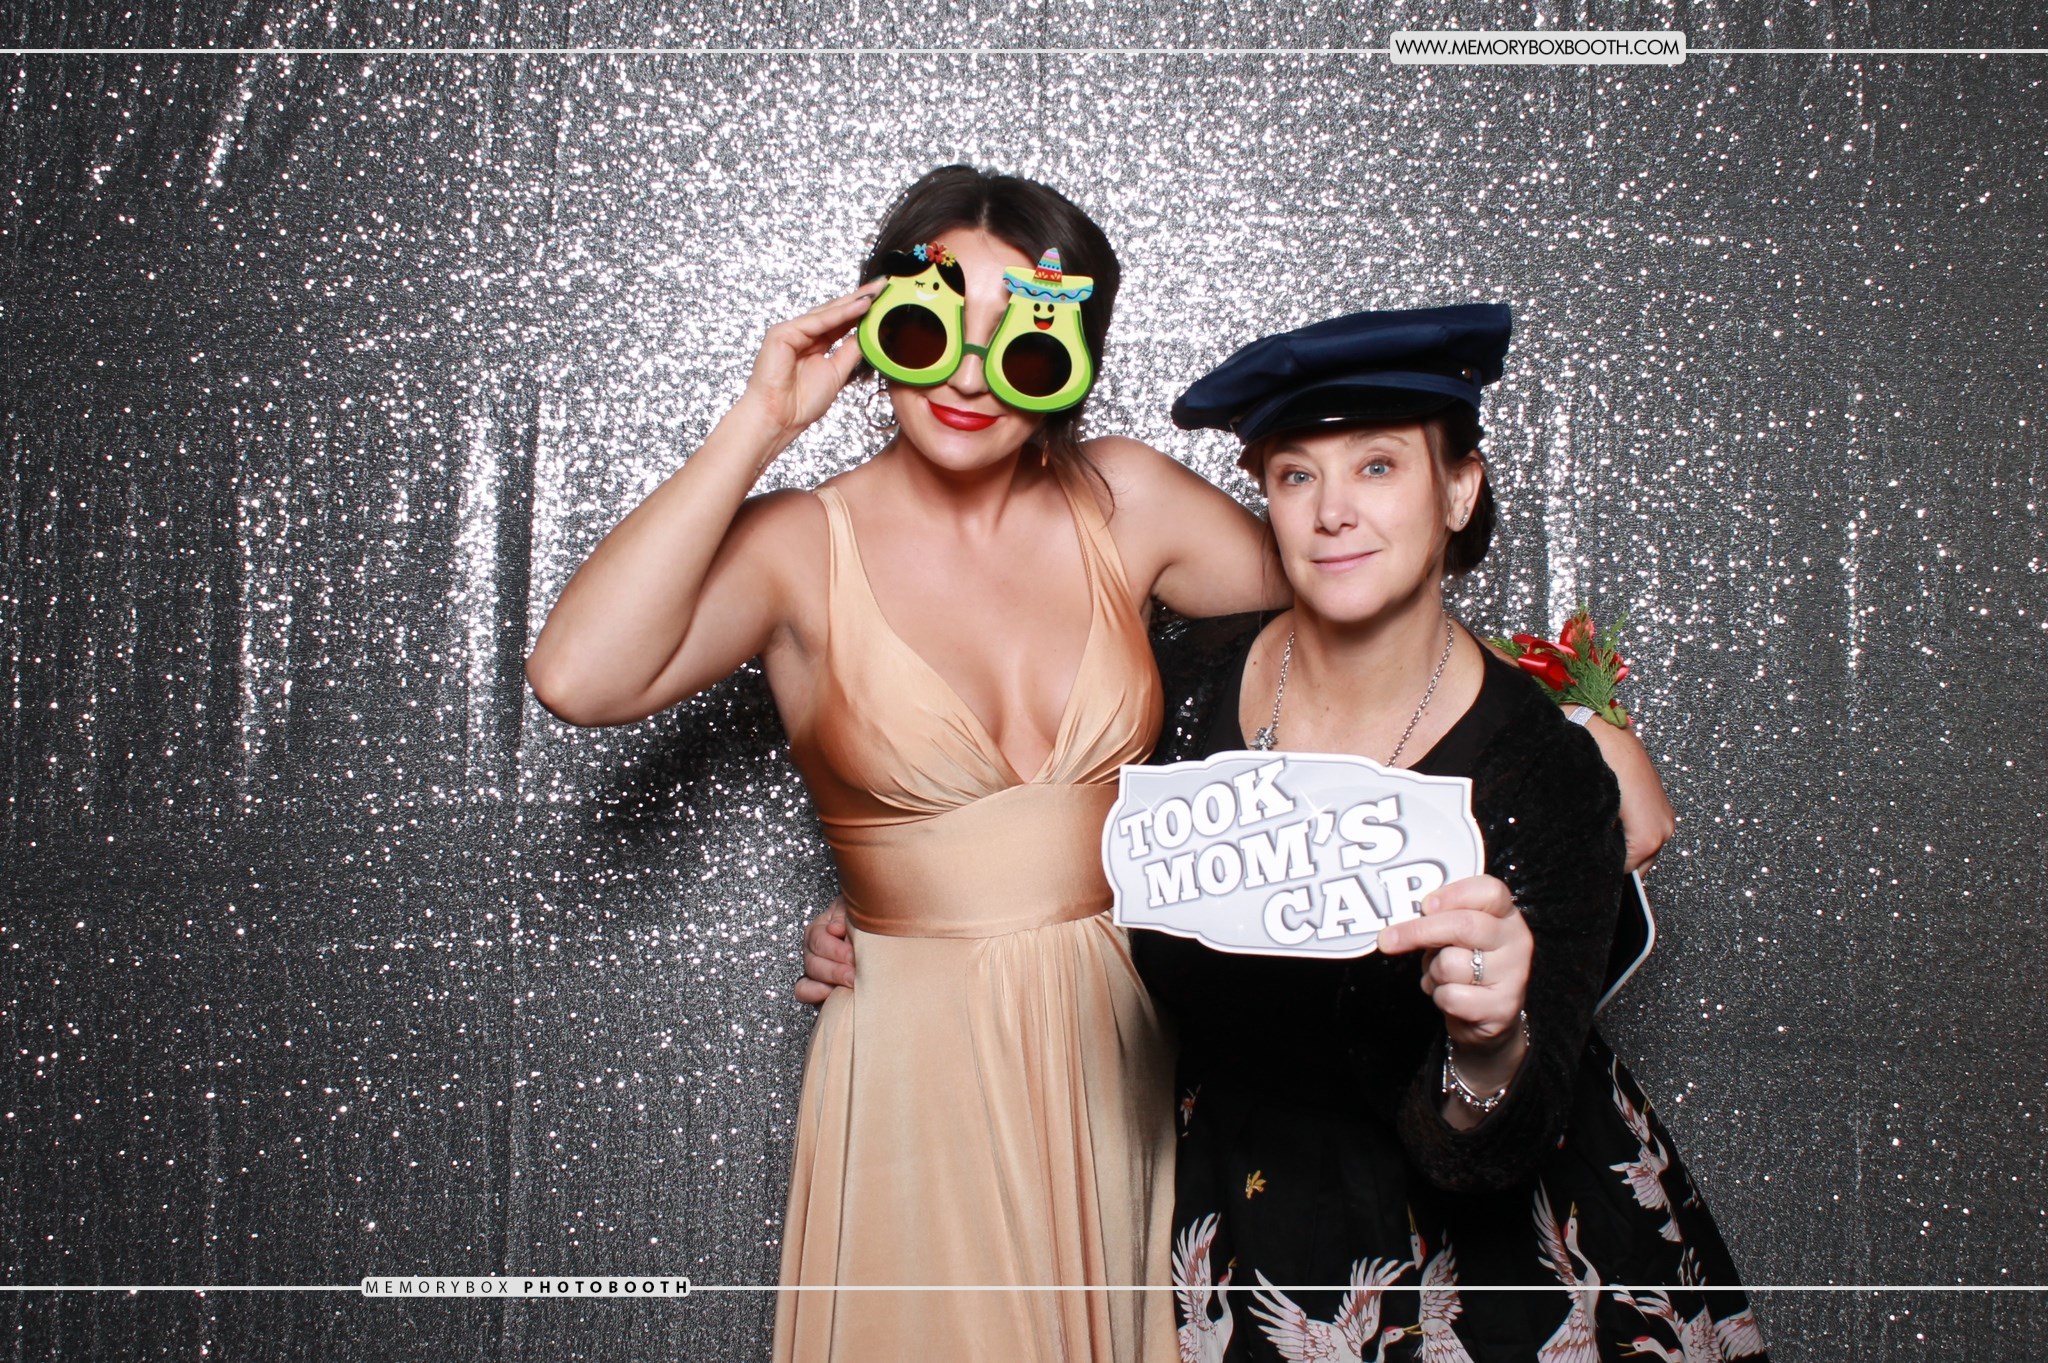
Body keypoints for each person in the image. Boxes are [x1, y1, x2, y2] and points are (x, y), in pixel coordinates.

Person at [525, 164, 1297, 1363]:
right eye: (934, 329)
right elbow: (579, 677)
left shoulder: (1124, 500)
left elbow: (1363, 625)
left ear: (1075, 354)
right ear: (876, 323)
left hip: (1122, 1045)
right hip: (915, 1060)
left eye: (1019, 340)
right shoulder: (799, 543)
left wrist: (1564, 722)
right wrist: (760, 422)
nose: (969, 376)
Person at [1134, 304, 1766, 1362]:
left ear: (1459, 489)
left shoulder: (1545, 773)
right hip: (1237, 1212)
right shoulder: (1182, 689)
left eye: (1378, 466)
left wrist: (1489, 1042)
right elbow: (1053, 841)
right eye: (1295, 473)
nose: (1333, 510)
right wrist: (887, 919)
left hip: (1486, 1263)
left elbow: (1495, 1144)